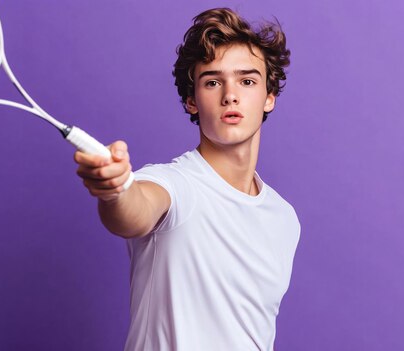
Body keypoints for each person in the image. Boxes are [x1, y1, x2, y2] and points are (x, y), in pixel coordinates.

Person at [74, 7, 300, 351]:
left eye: (248, 80)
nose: (230, 94)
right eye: (212, 81)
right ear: (192, 101)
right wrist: (115, 189)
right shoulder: (176, 185)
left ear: (269, 97)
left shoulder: (285, 219)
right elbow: (136, 208)